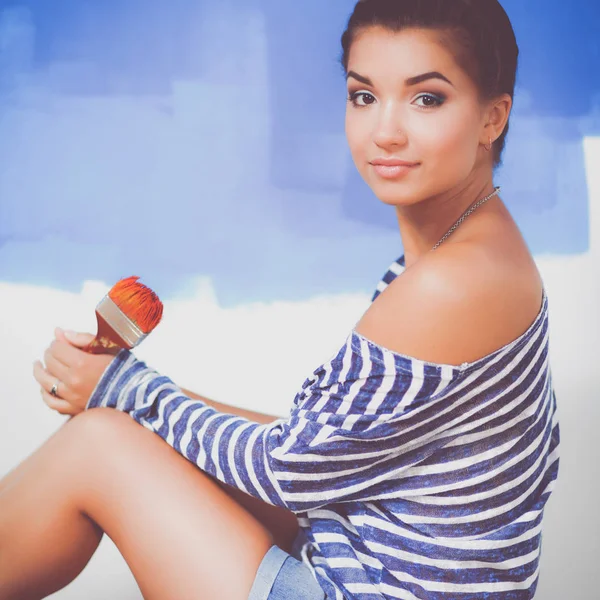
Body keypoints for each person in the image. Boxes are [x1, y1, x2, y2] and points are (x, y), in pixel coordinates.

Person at [2, 0, 560, 598]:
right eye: (363, 96)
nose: (385, 132)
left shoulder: (451, 284)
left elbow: (287, 471)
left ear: (492, 118)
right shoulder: (472, 247)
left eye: (426, 98)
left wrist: (125, 391)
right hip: (352, 544)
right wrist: (126, 390)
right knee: (120, 426)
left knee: (99, 445)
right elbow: (313, 449)